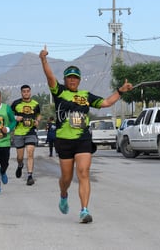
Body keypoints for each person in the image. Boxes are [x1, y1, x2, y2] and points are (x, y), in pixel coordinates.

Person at [39, 47, 133, 223]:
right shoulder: (59, 92)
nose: (72, 80)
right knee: (66, 178)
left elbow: (105, 102)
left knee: (83, 172)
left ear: (79, 80)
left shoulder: (86, 96)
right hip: (64, 140)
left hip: (83, 139)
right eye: (69, 77)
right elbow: (50, 77)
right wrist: (43, 60)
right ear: (65, 79)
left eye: (75, 77)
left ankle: (84, 210)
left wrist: (120, 91)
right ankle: (63, 194)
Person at [11, 85, 41, 186]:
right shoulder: (16, 103)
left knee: (30, 153)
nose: (26, 93)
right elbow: (9, 115)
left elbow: (38, 114)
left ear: (30, 92)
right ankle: (20, 165)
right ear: (21, 93)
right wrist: (15, 117)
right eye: (24, 91)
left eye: (28, 91)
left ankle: (29, 176)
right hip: (19, 132)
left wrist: (37, 121)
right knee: (20, 157)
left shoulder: (35, 104)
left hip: (31, 132)